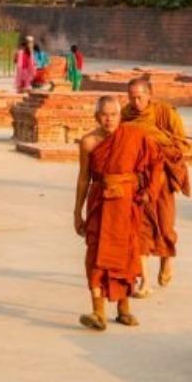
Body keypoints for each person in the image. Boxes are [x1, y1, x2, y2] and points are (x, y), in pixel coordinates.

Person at [74, 95, 158, 331]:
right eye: (104, 114)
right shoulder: (88, 142)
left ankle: (124, 309)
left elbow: (156, 163)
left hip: (126, 203)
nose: (109, 119)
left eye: (113, 114)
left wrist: (148, 192)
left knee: (127, 253)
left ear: (120, 116)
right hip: (100, 201)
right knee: (96, 254)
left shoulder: (134, 136)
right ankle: (98, 310)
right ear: (96, 116)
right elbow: (83, 179)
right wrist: (76, 212)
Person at [121, 77, 190, 293]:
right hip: (138, 180)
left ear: (149, 95)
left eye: (140, 97)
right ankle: (144, 281)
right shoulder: (125, 115)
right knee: (141, 227)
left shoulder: (165, 113)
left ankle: (166, 258)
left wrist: (155, 143)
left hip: (162, 179)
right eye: (132, 97)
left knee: (165, 223)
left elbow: (182, 145)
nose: (136, 102)